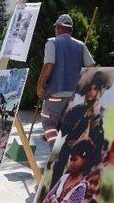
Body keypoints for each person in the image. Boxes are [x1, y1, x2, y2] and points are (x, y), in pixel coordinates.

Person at [37, 14, 95, 145]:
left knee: (49, 124)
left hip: (55, 93)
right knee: (68, 127)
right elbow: (91, 67)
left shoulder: (52, 42)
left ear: (58, 28)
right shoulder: (81, 45)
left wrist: (40, 86)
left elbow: (49, 64)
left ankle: (54, 153)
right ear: (71, 30)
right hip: (75, 96)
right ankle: (66, 157)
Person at [50, 70, 110, 189]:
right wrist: (66, 114)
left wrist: (96, 118)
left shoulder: (101, 112)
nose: (91, 92)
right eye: (89, 89)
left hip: (85, 156)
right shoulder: (76, 109)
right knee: (57, 173)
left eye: (94, 89)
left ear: (99, 90)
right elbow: (64, 132)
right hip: (67, 152)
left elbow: (98, 140)